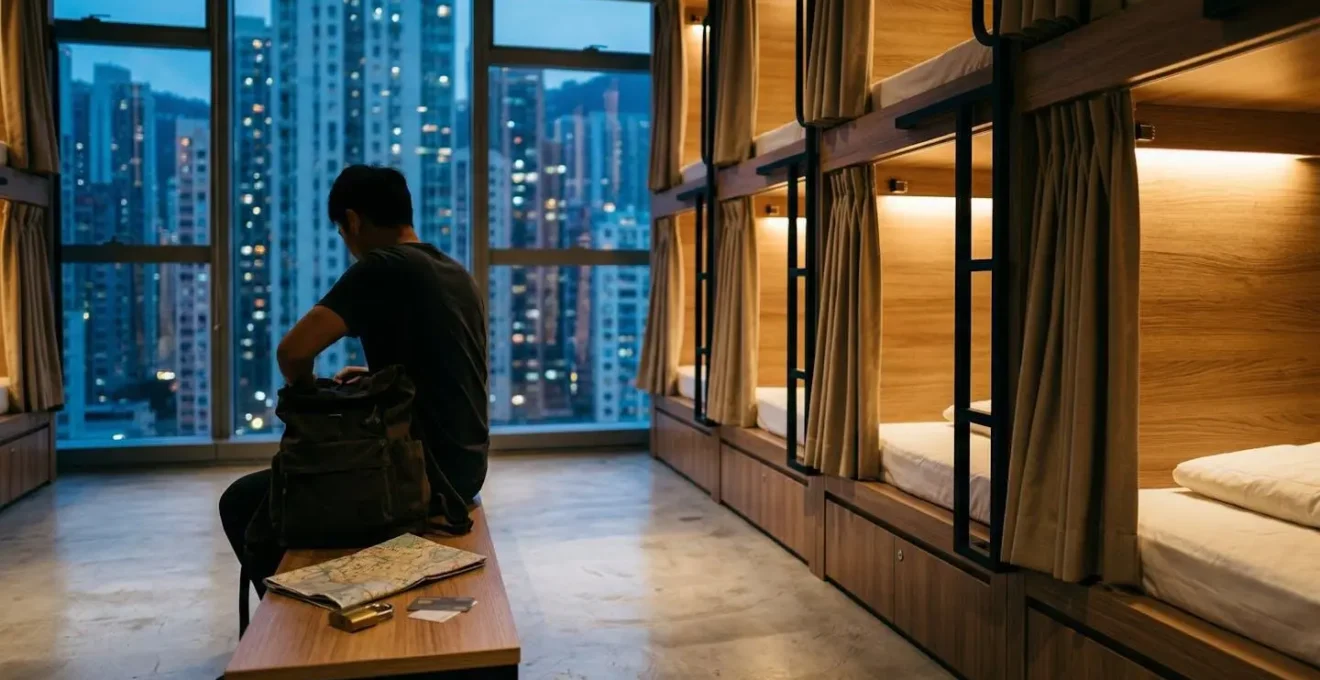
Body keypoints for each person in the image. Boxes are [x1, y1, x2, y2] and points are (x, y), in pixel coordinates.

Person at [219, 165, 489, 591]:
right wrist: (376, 377)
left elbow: (293, 352)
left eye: (342, 232)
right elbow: (445, 366)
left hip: (421, 476)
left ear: (353, 221)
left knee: (242, 501)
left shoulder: (383, 267)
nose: (347, 244)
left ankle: (295, 611)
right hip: (465, 468)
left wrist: (307, 391)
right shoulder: (453, 271)